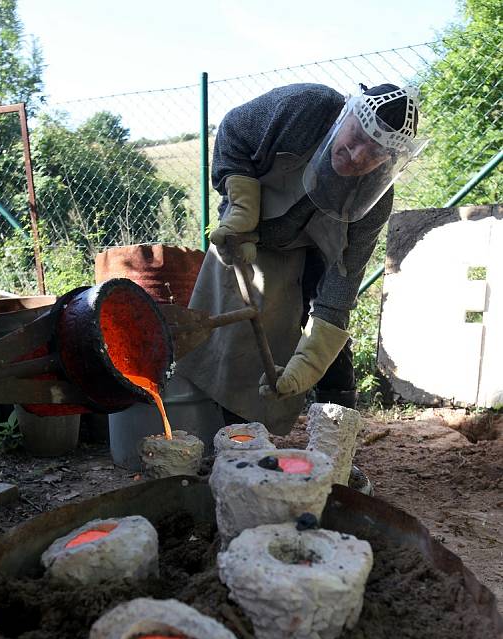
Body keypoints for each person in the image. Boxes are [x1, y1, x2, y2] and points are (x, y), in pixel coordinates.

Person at [177, 82, 426, 434]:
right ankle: (238, 439)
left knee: (326, 338)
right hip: (253, 229)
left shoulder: (376, 199)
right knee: (241, 331)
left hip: (314, 248)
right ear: (349, 114)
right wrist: (243, 212)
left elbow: (342, 284)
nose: (356, 156)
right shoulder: (307, 108)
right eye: (356, 137)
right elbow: (234, 130)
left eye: (374, 153)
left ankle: (336, 432)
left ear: (389, 158)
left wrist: (307, 364)